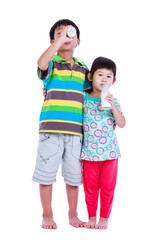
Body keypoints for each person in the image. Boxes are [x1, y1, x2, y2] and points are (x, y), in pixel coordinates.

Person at [32, 19, 91, 229]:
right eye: (60, 33)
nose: (66, 36)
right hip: (51, 129)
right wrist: (57, 44)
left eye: (70, 33)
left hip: (76, 132)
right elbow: (40, 64)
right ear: (52, 41)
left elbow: (93, 94)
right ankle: (47, 214)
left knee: (74, 177)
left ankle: (73, 214)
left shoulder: (85, 69)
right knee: (46, 175)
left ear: (78, 41)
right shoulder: (51, 63)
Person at [80, 57, 126, 229]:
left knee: (107, 188)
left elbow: (121, 124)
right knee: (90, 189)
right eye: (100, 75)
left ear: (113, 81)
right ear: (91, 77)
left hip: (110, 153)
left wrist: (113, 106)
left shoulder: (113, 101)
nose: (104, 79)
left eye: (109, 76)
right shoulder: (84, 99)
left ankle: (104, 218)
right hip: (90, 154)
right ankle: (91, 217)